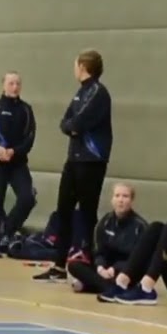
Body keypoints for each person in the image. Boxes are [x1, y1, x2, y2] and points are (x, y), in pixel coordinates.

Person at [33, 50, 112, 282]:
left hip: (91, 160)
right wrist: (71, 126)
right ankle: (59, 264)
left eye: (76, 65)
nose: (74, 69)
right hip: (74, 159)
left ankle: (86, 260)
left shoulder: (98, 93)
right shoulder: (80, 92)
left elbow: (79, 122)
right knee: (64, 210)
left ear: (83, 67)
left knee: (87, 212)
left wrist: (73, 126)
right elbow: (66, 122)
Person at [0, 71, 38, 256]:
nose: (15, 86)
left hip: (17, 163)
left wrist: (15, 151)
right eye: (11, 83)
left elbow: (30, 138)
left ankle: (6, 231)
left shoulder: (26, 110)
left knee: (27, 198)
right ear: (3, 85)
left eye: (18, 83)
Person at [67, 182, 147, 294]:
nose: (121, 200)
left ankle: (94, 285)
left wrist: (115, 269)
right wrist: (100, 267)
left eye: (125, 196)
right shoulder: (105, 221)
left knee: (132, 272)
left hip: (125, 270)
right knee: (74, 265)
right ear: (112, 200)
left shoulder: (140, 226)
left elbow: (138, 259)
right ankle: (108, 287)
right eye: (117, 195)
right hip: (105, 269)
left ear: (132, 201)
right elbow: (98, 251)